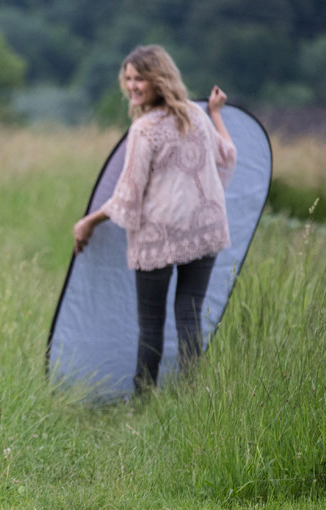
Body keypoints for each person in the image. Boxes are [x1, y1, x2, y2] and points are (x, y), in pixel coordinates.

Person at [72, 45, 236, 392]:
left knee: (151, 324)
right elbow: (227, 157)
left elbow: (128, 195)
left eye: (139, 79)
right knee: (190, 316)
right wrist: (216, 113)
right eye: (128, 79)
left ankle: (143, 399)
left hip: (158, 237)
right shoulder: (197, 115)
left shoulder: (145, 129)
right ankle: (191, 398)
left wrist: (89, 221)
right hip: (204, 229)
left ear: (158, 80)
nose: (132, 86)